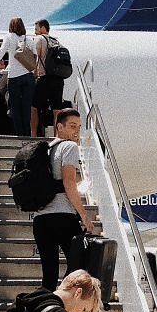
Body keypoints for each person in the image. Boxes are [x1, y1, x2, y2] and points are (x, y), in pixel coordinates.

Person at [32, 108, 95, 290]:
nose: (77, 131)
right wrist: (83, 215)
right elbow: (69, 182)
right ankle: (62, 298)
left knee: (49, 275)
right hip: (63, 217)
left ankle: (48, 304)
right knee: (80, 266)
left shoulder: (45, 150)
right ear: (59, 127)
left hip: (41, 219)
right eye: (72, 126)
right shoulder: (69, 147)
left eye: (79, 127)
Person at [0, 17, 36, 136]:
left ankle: (20, 135)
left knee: (15, 108)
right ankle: (27, 135)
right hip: (28, 77)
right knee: (26, 107)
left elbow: (0, 53)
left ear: (11, 26)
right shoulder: (28, 38)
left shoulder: (9, 37)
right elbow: (35, 55)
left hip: (14, 77)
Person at [30, 19, 65, 136]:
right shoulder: (56, 41)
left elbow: (36, 58)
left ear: (43, 28)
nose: (35, 32)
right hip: (58, 79)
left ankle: (33, 135)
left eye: (36, 29)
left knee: (34, 108)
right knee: (57, 111)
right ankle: (56, 137)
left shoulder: (39, 39)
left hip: (44, 79)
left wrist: (34, 73)